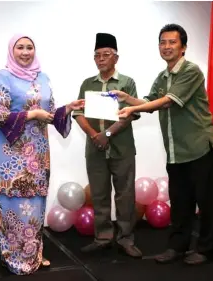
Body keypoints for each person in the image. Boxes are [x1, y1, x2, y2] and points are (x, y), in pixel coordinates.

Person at [114, 24, 213, 265]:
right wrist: (128, 99)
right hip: (175, 151)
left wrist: (133, 108)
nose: (167, 47)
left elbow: (166, 102)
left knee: (205, 203)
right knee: (180, 203)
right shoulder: (162, 77)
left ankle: (205, 250)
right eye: (163, 42)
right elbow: (151, 100)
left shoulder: (192, 71)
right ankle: (177, 247)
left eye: (172, 42)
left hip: (200, 147)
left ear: (183, 48)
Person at [0, 34, 84, 275]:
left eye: (29, 47)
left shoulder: (43, 78)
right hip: (10, 154)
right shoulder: (2, 77)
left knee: (35, 204)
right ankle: (13, 259)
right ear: (12, 50)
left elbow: (49, 113)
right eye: (20, 47)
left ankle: (33, 255)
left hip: (38, 152)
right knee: (13, 204)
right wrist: (32, 115)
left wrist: (68, 108)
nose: (25, 52)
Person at [72, 33, 142, 258]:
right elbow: (78, 113)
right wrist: (95, 135)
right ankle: (102, 237)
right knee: (100, 195)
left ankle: (125, 239)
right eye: (97, 56)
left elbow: (132, 114)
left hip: (122, 148)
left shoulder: (126, 83)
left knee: (125, 195)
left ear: (116, 58)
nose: (101, 59)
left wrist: (108, 134)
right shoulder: (87, 84)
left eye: (106, 55)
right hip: (95, 149)